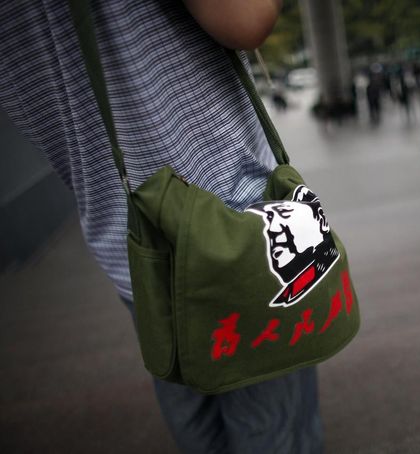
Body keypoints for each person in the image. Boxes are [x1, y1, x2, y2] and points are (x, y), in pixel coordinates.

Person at [0, 1, 323, 453]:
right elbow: (247, 19)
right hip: (232, 214)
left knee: (198, 415)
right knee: (275, 420)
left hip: (126, 233)